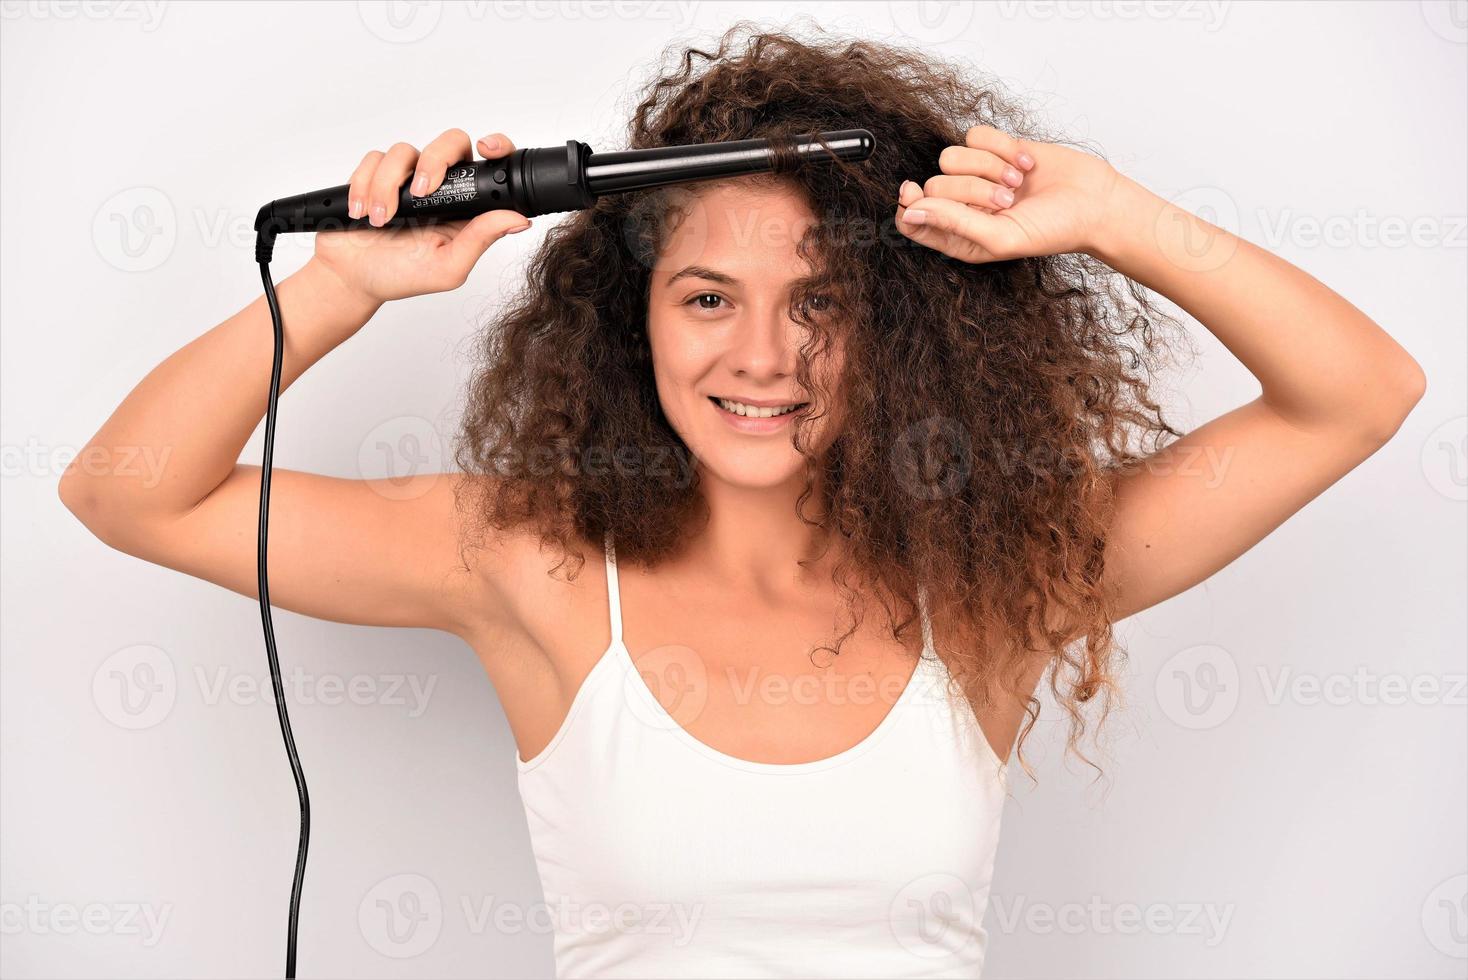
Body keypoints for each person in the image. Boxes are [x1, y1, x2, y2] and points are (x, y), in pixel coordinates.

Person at [59, 25, 1426, 979]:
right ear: (629, 317)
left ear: (896, 327)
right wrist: (344, 287)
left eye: (820, 305)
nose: (762, 358)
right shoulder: (523, 560)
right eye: (708, 297)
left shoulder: (1002, 576)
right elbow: (130, 496)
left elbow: (1358, 393)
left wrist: (1117, 213)